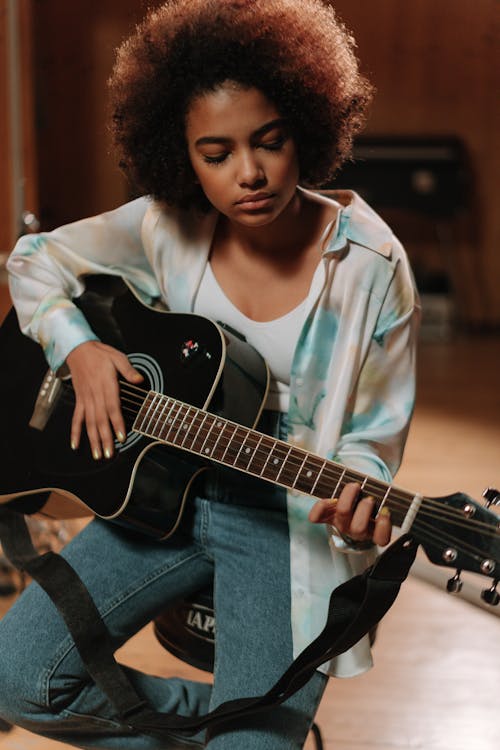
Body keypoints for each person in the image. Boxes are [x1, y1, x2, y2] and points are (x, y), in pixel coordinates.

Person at [0, 0, 420, 747]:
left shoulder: (373, 267)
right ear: (181, 154)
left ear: (307, 127)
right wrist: (78, 348)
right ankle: (235, 726)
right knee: (18, 682)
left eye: (269, 141)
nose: (249, 173)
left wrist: (358, 496)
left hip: (284, 523)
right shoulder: (168, 225)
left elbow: (370, 443)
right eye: (216, 153)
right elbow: (35, 260)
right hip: (158, 497)